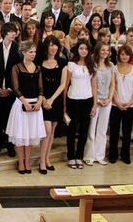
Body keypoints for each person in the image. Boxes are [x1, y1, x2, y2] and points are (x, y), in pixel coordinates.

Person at [6, 41, 46, 174]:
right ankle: (21, 162)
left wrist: (39, 101)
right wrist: (25, 102)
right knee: (20, 134)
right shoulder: (16, 68)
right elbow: (16, 89)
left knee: (30, 135)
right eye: (30, 52)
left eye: (34, 52)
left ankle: (27, 162)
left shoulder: (38, 68)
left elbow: (40, 88)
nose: (33, 54)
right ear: (23, 53)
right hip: (21, 103)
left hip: (35, 104)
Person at [0, 22, 20, 157]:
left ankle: (10, 146)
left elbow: (19, 71)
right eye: (12, 31)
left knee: (10, 120)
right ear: (5, 33)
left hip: (11, 92)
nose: (14, 34)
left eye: (15, 32)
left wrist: (11, 89)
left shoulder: (18, 49)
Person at [64, 39, 96, 169]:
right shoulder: (71, 65)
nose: (83, 51)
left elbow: (94, 85)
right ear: (77, 49)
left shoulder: (91, 66)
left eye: (86, 49)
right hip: (73, 99)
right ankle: (71, 156)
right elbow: (65, 85)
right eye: (81, 48)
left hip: (87, 99)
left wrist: (94, 104)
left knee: (84, 129)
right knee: (72, 128)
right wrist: (64, 104)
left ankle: (79, 156)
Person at [83, 42, 115, 166]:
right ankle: (89, 155)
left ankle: (100, 156)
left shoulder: (111, 65)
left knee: (102, 130)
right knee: (92, 129)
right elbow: (93, 84)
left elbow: (113, 84)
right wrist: (96, 101)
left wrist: (109, 98)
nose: (105, 53)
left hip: (107, 101)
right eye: (103, 50)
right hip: (95, 100)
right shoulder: (93, 65)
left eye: (107, 51)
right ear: (98, 51)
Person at [39, 35, 67, 172]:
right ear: (46, 47)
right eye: (51, 45)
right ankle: (41, 161)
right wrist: (44, 98)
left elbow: (63, 84)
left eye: (55, 45)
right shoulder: (40, 61)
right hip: (43, 99)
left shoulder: (62, 62)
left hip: (55, 100)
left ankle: (47, 158)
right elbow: (37, 82)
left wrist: (52, 99)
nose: (54, 48)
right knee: (46, 130)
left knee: (52, 132)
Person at [108, 45, 133, 164]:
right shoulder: (114, 69)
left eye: (126, 54)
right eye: (122, 54)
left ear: (130, 56)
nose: (124, 56)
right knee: (114, 131)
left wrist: (130, 102)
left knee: (127, 132)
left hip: (130, 105)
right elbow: (112, 87)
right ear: (119, 55)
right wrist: (116, 101)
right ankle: (113, 154)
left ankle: (125, 154)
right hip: (115, 105)